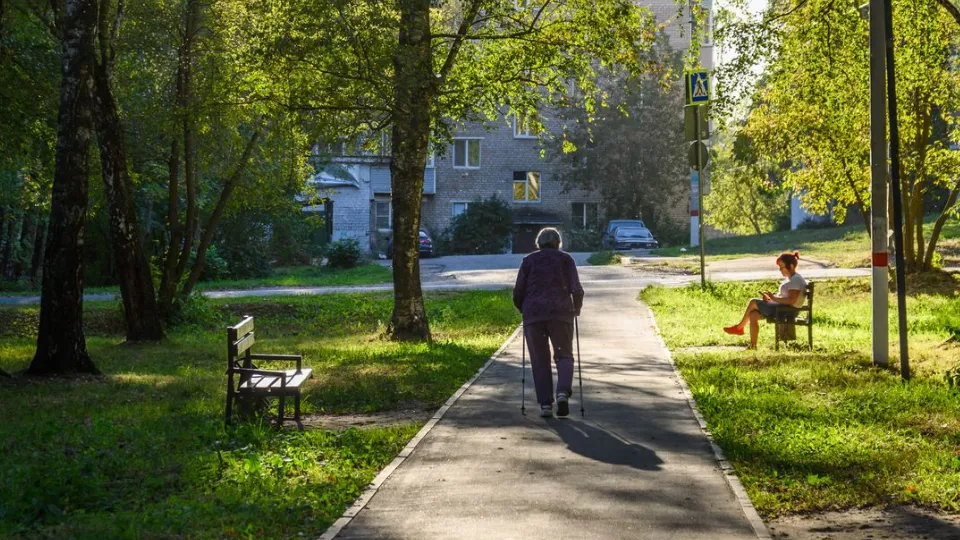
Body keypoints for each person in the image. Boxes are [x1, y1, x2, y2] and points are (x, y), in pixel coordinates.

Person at [513, 228, 584, 418]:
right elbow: (576, 289)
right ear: (558, 242)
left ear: (539, 243)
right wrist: (576, 309)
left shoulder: (528, 261)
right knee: (564, 356)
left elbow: (518, 291)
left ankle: (545, 405)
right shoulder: (566, 260)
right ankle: (562, 392)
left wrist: (524, 309)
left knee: (540, 360)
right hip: (560, 313)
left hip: (534, 315)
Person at [724, 251, 807, 349]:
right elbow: (785, 298)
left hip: (787, 311)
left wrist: (774, 298)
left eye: (782, 267)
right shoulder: (791, 278)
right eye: (779, 268)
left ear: (791, 266)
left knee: (753, 302)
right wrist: (770, 300)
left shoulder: (795, 279)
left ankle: (739, 327)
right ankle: (753, 346)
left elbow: (792, 300)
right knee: (753, 314)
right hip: (782, 308)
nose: (780, 270)